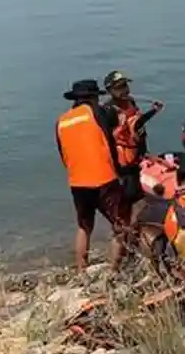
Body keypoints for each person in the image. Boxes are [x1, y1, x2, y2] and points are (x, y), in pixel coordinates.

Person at [55, 79, 131, 271]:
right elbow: (111, 142)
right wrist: (120, 172)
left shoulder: (61, 121)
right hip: (105, 178)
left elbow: (64, 156)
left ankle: (81, 270)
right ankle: (115, 270)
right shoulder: (98, 112)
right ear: (93, 98)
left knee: (84, 227)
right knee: (120, 224)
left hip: (77, 182)